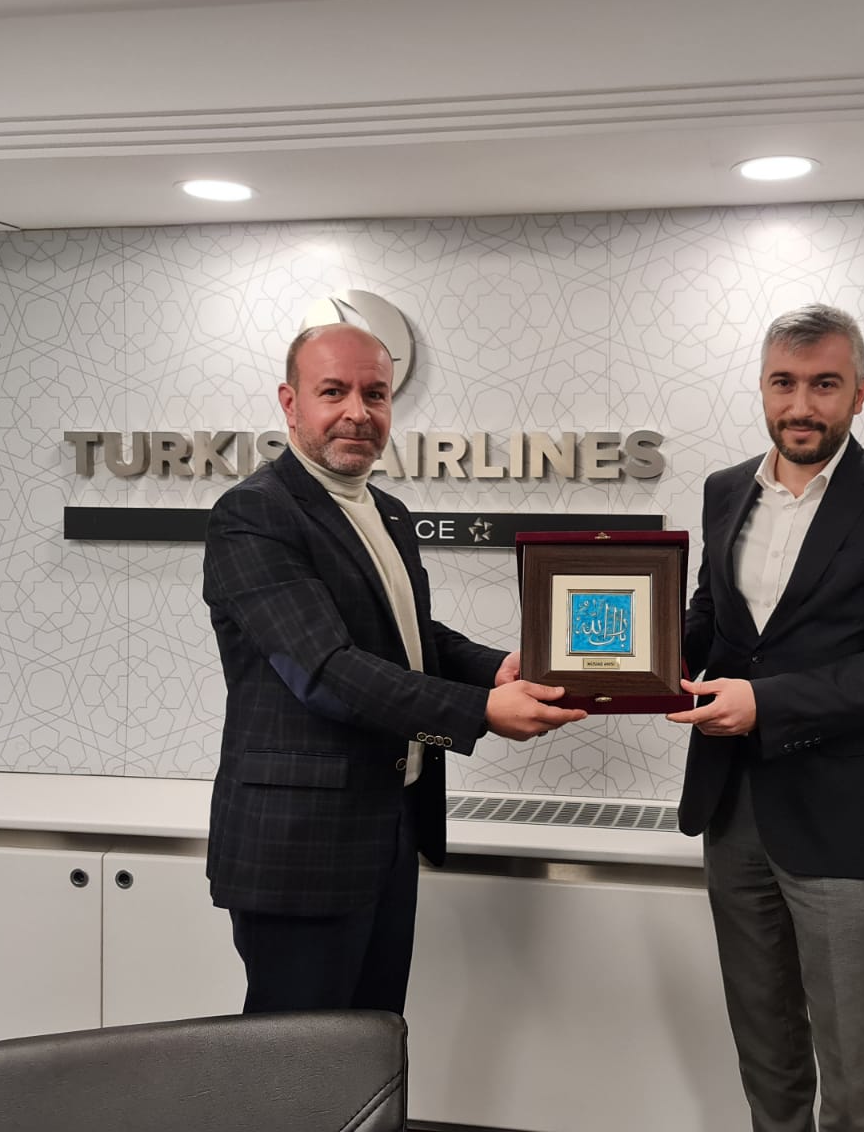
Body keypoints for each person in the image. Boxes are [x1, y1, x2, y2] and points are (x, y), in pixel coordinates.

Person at [203, 322, 586, 1016]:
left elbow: (409, 635)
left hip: (387, 826)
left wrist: (497, 668)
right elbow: (326, 669)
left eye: (375, 394)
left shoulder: (387, 511)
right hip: (299, 845)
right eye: (334, 391)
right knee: (295, 1062)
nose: (358, 411)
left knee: (373, 1043)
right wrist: (479, 712)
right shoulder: (253, 515)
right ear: (290, 403)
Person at [667, 304, 864, 1132]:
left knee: (853, 1065)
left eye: (824, 384)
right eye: (784, 383)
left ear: (859, 393)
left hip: (844, 820)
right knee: (764, 1047)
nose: (801, 405)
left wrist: (764, 704)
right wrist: (621, 661)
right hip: (733, 809)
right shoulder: (726, 490)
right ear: (762, 387)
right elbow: (714, 621)